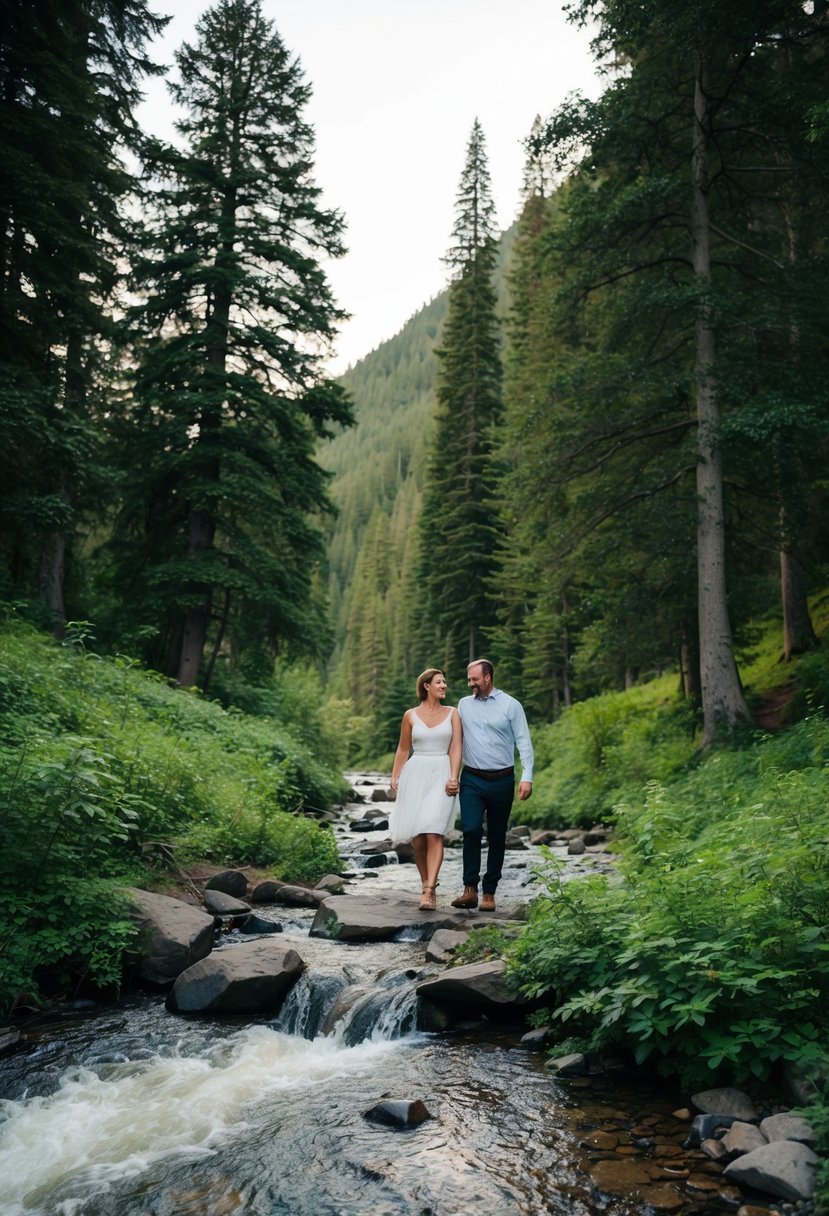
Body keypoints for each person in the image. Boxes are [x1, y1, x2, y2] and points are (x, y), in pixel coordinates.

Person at [451, 658, 534, 913]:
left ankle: (489, 892)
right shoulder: (463, 705)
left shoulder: (511, 705)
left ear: (487, 677)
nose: (470, 683)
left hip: (503, 779)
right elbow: (454, 741)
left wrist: (526, 776)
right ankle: (470, 890)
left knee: (497, 836)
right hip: (472, 778)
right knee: (472, 830)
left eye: (474, 679)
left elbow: (524, 741)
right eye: (469, 679)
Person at [389, 667, 462, 910]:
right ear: (426, 686)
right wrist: (394, 775)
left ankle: (430, 890)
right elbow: (403, 748)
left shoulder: (453, 713)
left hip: (442, 774)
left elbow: (456, 748)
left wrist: (454, 777)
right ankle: (424, 883)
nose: (444, 686)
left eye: (445, 682)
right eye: (439, 682)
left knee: (434, 832)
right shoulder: (410, 715)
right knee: (418, 839)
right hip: (416, 773)